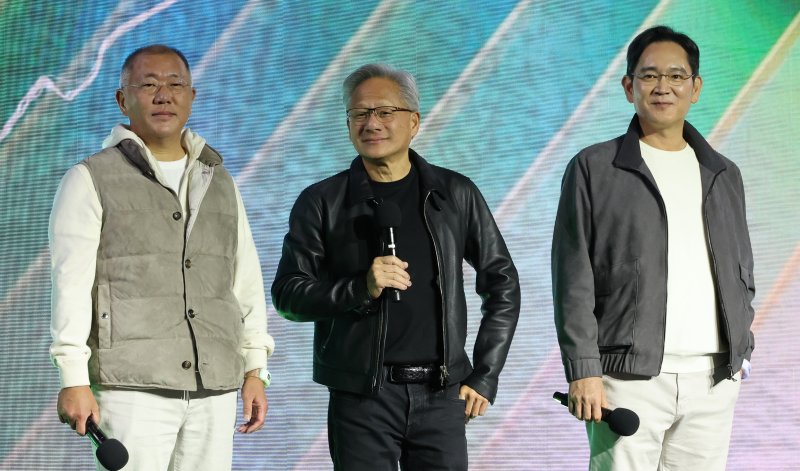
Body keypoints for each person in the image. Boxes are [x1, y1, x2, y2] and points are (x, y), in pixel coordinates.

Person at [272, 63, 520, 470]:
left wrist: (485, 374)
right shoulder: (322, 201)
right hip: (362, 398)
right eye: (359, 114)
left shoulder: (455, 194)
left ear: (414, 122)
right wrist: (360, 288)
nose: (371, 123)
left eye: (385, 112)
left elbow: (502, 282)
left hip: (442, 393)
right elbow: (288, 295)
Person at [49, 44, 274, 471]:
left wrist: (254, 368)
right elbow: (70, 285)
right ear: (122, 99)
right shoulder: (89, 178)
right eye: (148, 85)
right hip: (131, 389)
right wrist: (73, 378)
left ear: (192, 96)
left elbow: (244, 281)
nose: (163, 95)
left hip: (215, 388)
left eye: (175, 84)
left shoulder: (220, 181)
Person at [552, 25, 756, 470]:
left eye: (677, 76)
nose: (663, 86)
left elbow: (742, 270)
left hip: (713, 379)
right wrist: (584, 370)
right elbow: (573, 279)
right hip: (627, 378)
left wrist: (742, 348)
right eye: (649, 76)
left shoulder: (724, 174)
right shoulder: (594, 167)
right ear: (629, 87)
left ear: (695, 88)